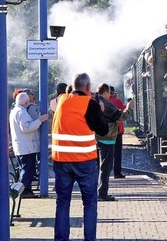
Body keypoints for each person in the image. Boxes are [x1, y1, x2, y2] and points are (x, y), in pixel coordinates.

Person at [52, 72, 109, 241]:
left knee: (62, 202)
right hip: (85, 161)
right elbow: (103, 130)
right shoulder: (89, 104)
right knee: (90, 203)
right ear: (88, 87)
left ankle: (61, 239)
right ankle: (89, 239)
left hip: (61, 161)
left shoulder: (61, 101)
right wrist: (101, 111)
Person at [94, 83, 134, 201]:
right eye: (109, 93)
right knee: (106, 167)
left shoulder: (94, 102)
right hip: (107, 138)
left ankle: (96, 191)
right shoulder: (107, 105)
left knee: (96, 167)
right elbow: (121, 117)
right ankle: (103, 193)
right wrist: (129, 107)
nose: (110, 95)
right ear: (105, 92)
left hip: (95, 138)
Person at [9, 92, 48, 198]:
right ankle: (24, 190)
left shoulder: (15, 111)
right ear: (26, 102)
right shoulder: (21, 112)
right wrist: (40, 121)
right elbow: (26, 128)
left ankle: (24, 190)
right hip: (27, 147)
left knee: (26, 169)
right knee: (27, 170)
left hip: (23, 146)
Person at [108, 87, 127, 179]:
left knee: (106, 153)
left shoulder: (101, 102)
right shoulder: (116, 101)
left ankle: (105, 173)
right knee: (117, 153)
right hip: (118, 131)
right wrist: (117, 98)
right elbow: (124, 109)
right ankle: (117, 172)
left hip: (105, 132)